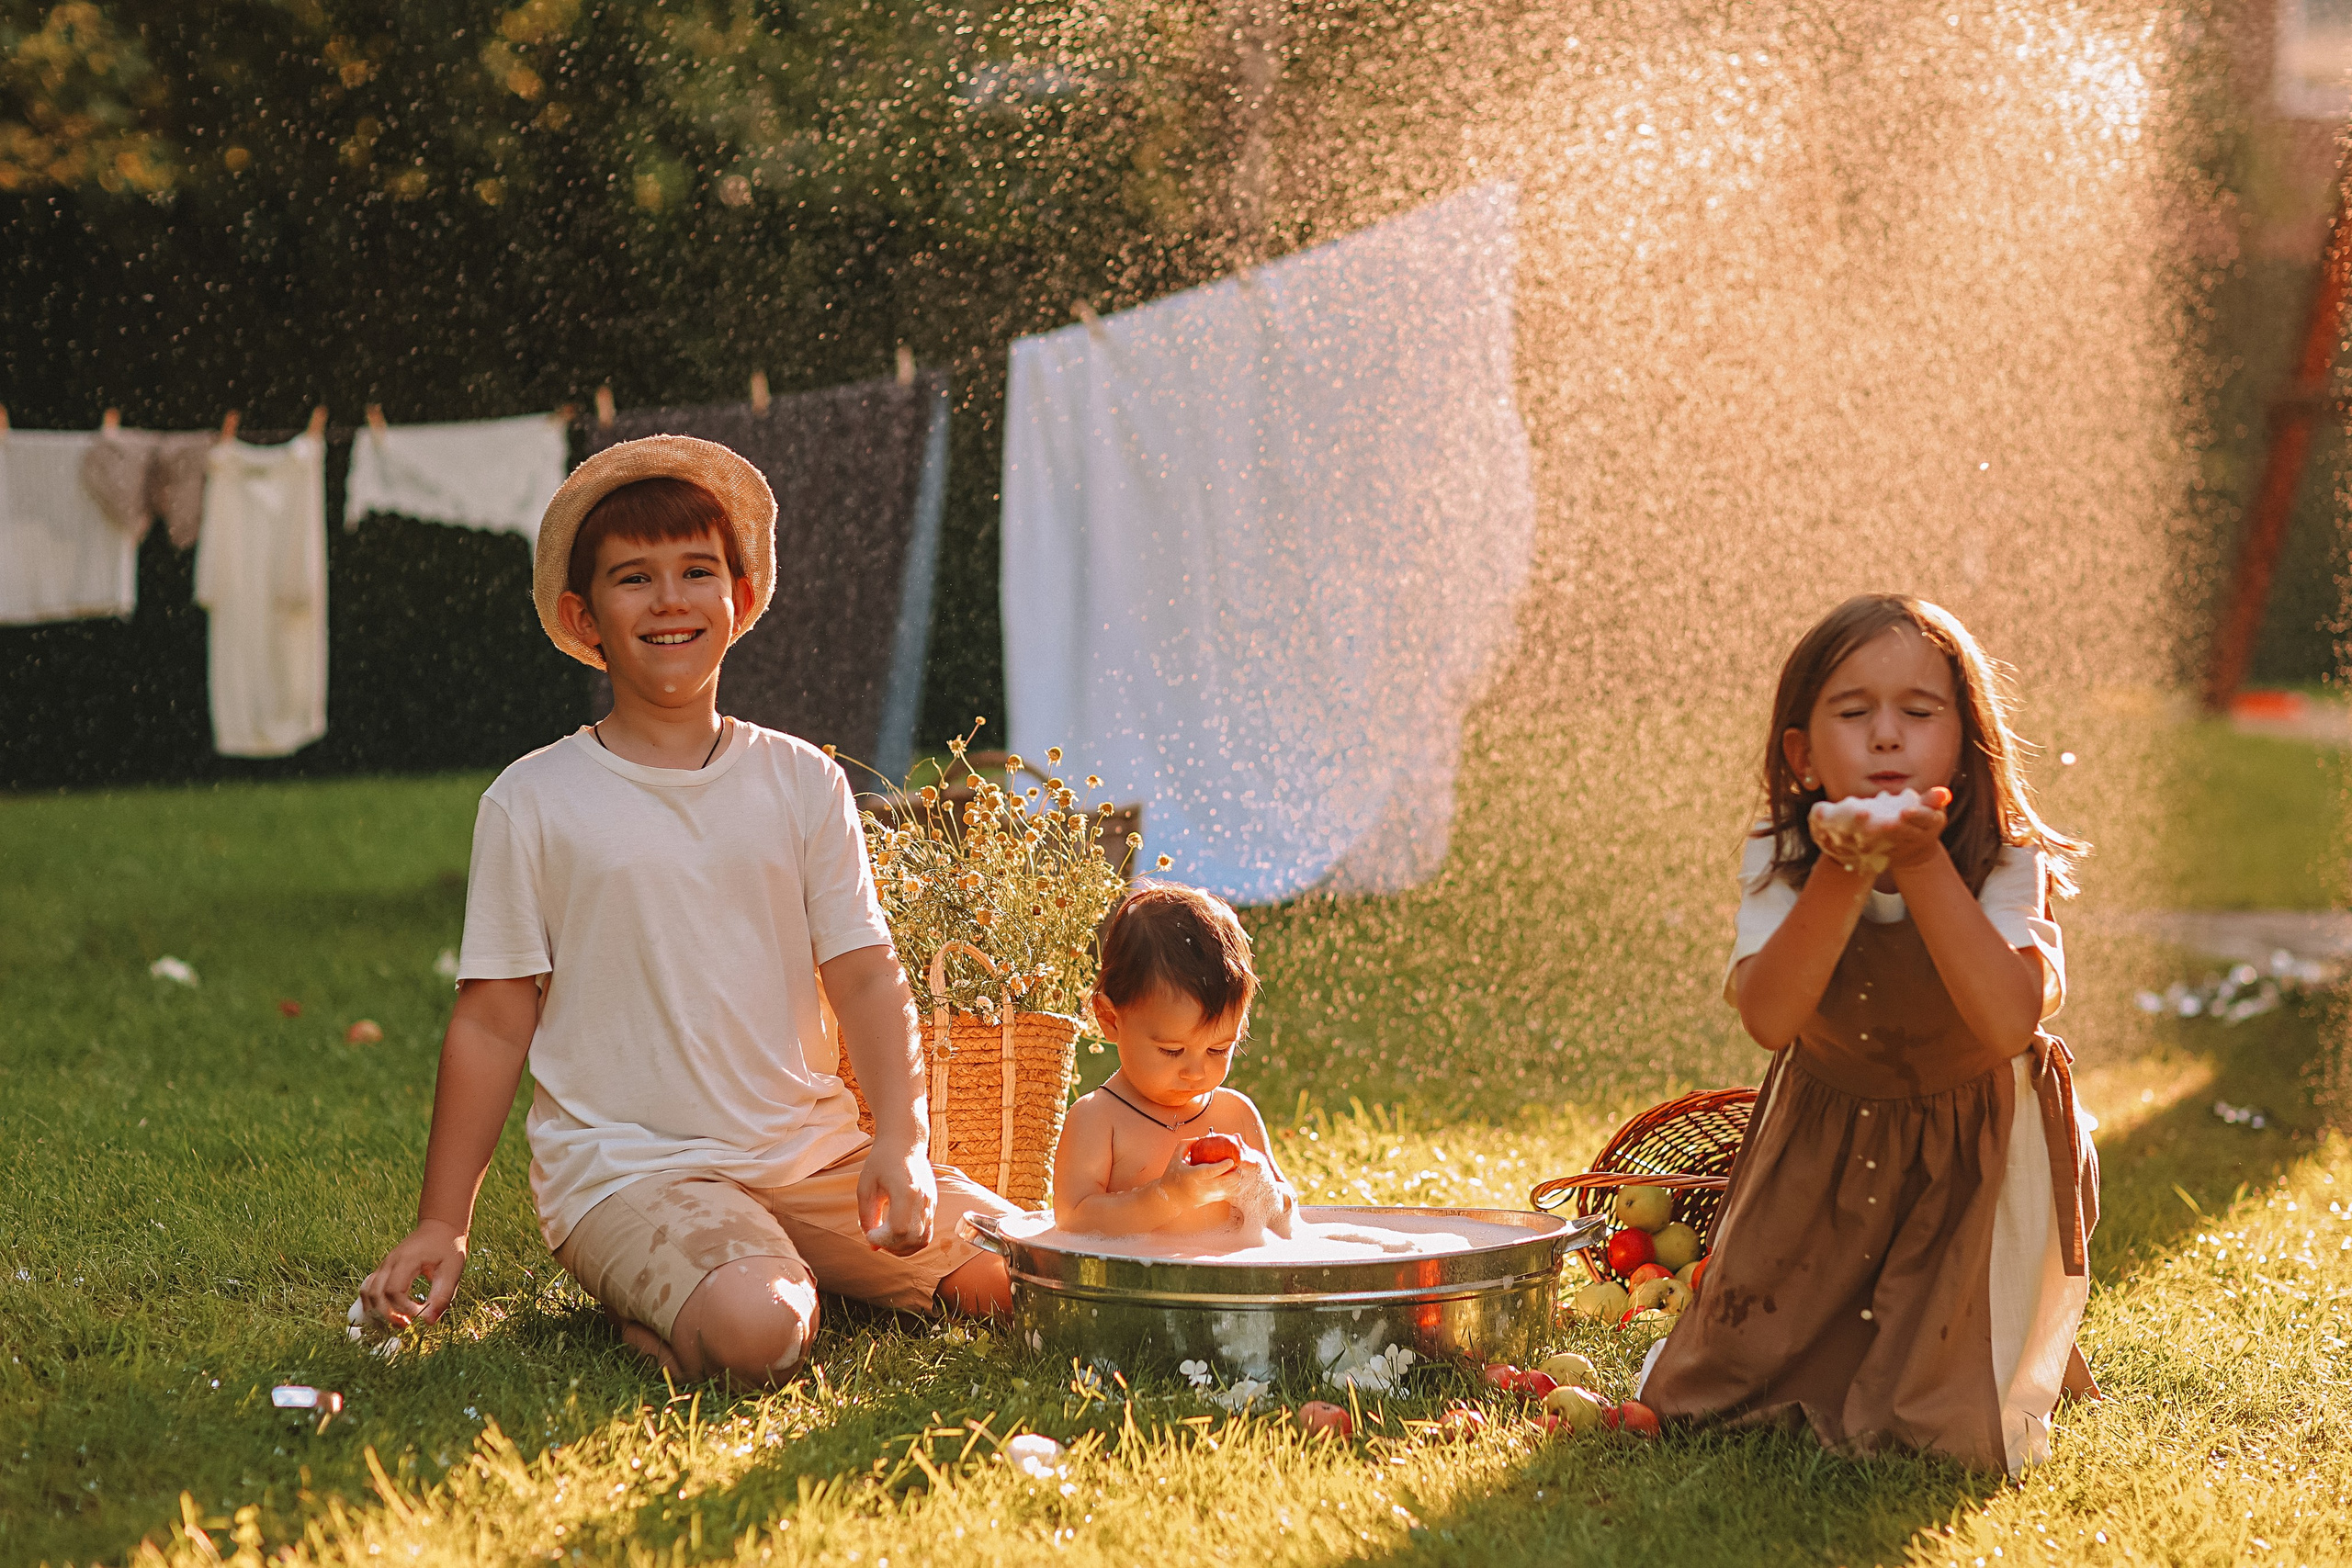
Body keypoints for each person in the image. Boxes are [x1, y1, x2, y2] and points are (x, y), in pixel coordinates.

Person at [358, 435, 1011, 1386]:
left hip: (812, 1155)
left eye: (697, 572)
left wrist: (903, 1145)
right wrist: (441, 1221)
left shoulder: (802, 781)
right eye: (635, 578)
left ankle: (768, 1271)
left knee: (1035, 1282)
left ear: (740, 600)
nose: (670, 599)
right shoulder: (533, 800)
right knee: (762, 1330)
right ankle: (697, 1299)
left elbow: (865, 973)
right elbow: (494, 1023)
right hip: (631, 1174)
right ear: (584, 618)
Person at [1637, 592, 2100, 1475]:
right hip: (1826, 1144)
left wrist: (1920, 863)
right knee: (1713, 1396)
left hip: (1975, 1145)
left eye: (1919, 714)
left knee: (1936, 1432)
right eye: (1855, 714)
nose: (1888, 736)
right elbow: (1771, 1017)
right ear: (1804, 754)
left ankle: (2023, 1337)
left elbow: (2008, 1018)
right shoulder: (1785, 850)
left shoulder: (2005, 856)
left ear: (1962, 742)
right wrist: (1844, 875)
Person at [1052, 885, 1298, 1237]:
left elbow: (1286, 1217)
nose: (1196, 1072)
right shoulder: (1098, 1119)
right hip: (1134, 1288)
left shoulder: (1235, 1114)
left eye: (1218, 1049)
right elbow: (1074, 1219)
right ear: (1110, 1019)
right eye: (1171, 1050)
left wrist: (1260, 1187)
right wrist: (1167, 1196)